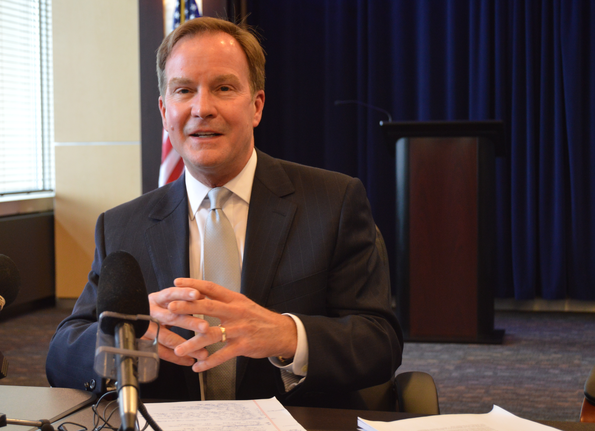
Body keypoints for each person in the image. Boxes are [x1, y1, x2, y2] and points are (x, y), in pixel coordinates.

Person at [46, 16, 402, 408]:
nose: (202, 108)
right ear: (165, 112)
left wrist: (286, 334)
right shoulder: (120, 226)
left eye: (223, 88)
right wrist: (121, 334)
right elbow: (62, 354)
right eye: (184, 90)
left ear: (256, 106)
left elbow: (380, 343)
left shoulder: (334, 202)